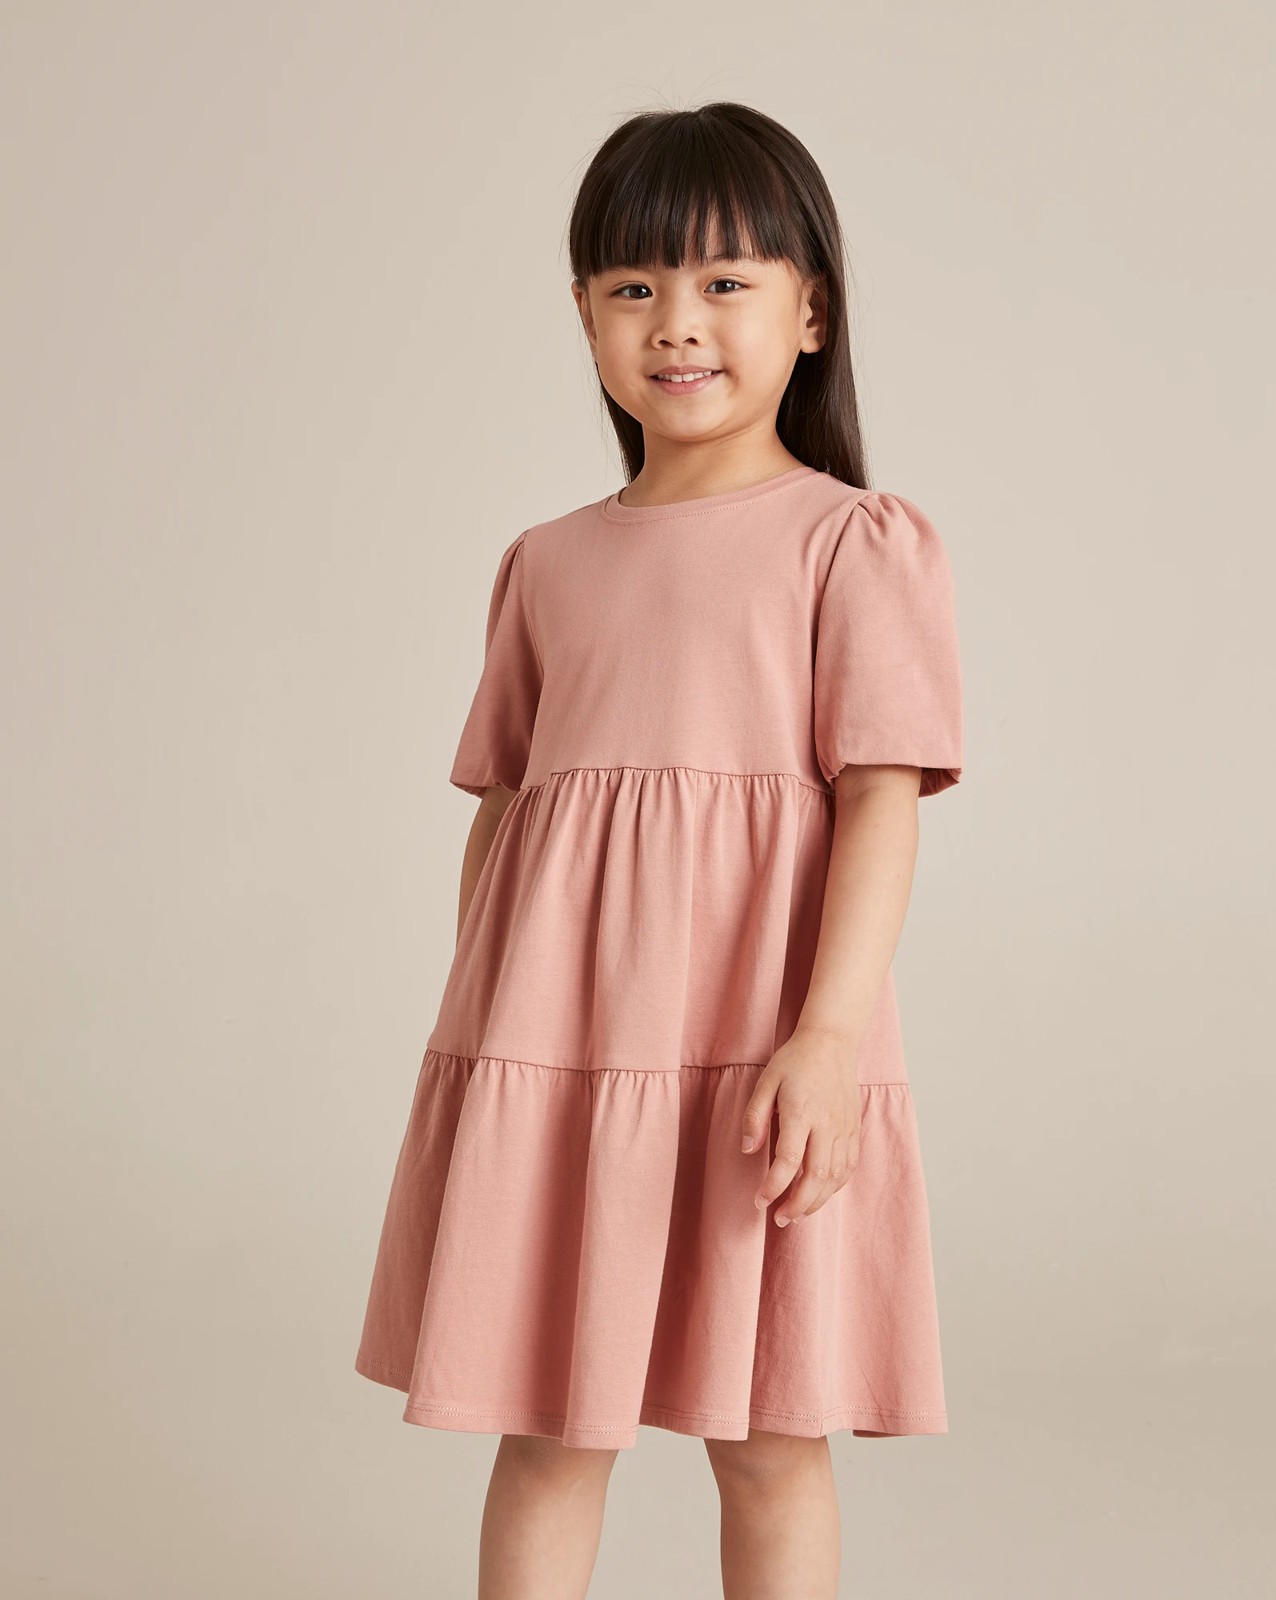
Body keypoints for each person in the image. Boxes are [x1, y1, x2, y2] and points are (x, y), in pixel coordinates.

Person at [354, 99, 967, 1600]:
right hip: (563, 1058)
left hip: (757, 1055)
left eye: (724, 282)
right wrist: (490, 1042)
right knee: (549, 1433)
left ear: (811, 313)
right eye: (633, 286)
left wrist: (829, 1037)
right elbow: (509, 811)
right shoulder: (547, 563)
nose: (676, 322)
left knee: (766, 1438)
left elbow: (879, 801)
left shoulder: (852, 541)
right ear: (585, 318)